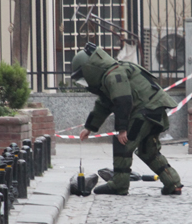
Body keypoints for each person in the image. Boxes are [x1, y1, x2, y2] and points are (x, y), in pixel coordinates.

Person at [71, 42, 183, 196]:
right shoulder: (111, 75)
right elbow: (103, 105)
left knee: (123, 143)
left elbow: (123, 101)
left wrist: (122, 129)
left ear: (90, 69)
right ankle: (173, 183)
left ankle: (119, 185)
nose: (85, 82)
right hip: (153, 111)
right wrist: (89, 128)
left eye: (83, 77)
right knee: (147, 151)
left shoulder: (114, 75)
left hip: (145, 112)